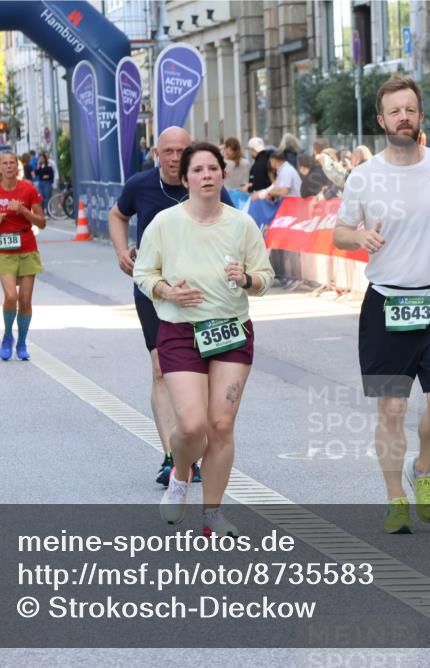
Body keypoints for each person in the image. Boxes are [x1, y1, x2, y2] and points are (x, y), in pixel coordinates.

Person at [333, 76, 430, 534]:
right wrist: (358, 236)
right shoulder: (363, 176)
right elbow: (340, 233)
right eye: (394, 110)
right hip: (386, 305)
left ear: (421, 116)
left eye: (410, 109)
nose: (403, 116)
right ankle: (395, 497)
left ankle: (423, 470)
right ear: (381, 120)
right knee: (392, 410)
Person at [134, 142, 274, 536]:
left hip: (231, 330)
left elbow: (265, 277)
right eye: (198, 170)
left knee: (221, 425)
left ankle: (212, 515)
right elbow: (143, 274)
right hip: (181, 331)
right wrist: (166, 291)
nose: (207, 175)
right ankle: (181, 476)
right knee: (193, 425)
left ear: (222, 173)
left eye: (213, 168)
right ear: (186, 178)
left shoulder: (241, 224)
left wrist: (246, 279)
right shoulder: (165, 222)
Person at [108, 126, 234, 487]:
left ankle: (194, 443)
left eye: (182, 150)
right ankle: (170, 456)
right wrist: (120, 250)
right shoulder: (140, 185)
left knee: (201, 370)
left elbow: (232, 226)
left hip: (202, 293)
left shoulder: (206, 182)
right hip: (154, 289)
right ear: (157, 154)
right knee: (162, 367)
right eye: (169, 151)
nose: (176, 157)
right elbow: (118, 215)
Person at [0, 151, 46, 362]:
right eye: (4, 163)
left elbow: (41, 222)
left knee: (25, 300)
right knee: (11, 297)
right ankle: (7, 336)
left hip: (27, 247)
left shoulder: (28, 189)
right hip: (3, 249)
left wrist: (23, 210)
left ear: (17, 166)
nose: (8, 167)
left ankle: (22, 342)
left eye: (12, 163)